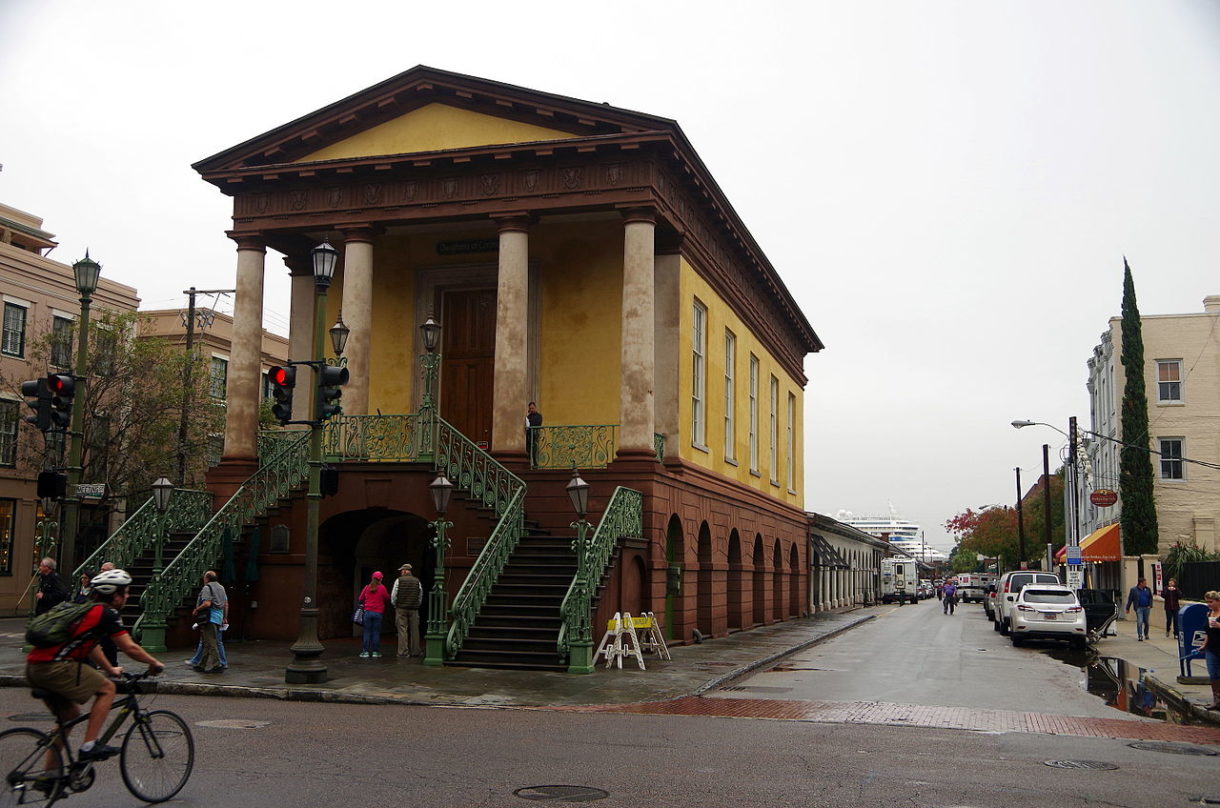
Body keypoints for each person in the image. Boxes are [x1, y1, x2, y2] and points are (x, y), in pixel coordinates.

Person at [25, 568, 165, 763]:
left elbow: (92, 646)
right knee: (107, 688)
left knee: (69, 716)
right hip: (55, 667)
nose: (127, 596)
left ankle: (49, 778)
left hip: (34, 666)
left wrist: (110, 669)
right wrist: (154, 662)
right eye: (125, 592)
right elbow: (130, 647)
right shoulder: (107, 613)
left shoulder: (85, 608)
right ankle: (89, 745)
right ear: (114, 595)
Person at [187, 571, 229, 671]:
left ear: (207, 578)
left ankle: (217, 664)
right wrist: (224, 617)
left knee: (211, 642)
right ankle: (201, 664)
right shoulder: (221, 588)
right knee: (208, 641)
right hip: (218, 618)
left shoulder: (207, 588)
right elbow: (226, 604)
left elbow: (207, 604)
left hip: (209, 618)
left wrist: (197, 609)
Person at [357, 571, 393, 658]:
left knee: (367, 632)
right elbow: (387, 598)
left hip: (367, 612)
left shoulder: (367, 587)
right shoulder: (382, 588)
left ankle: (365, 651)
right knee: (376, 632)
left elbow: (360, 598)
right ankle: (375, 652)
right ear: (380, 579)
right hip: (378, 613)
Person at [391, 563, 423, 658]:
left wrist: (394, 604)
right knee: (415, 630)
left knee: (402, 630)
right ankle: (415, 651)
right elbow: (420, 595)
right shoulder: (417, 581)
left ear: (405, 571)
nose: (401, 572)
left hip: (401, 608)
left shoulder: (398, 581)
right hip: (414, 609)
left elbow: (394, 594)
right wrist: (417, 604)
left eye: (402, 570)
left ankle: (403, 652)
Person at [1200, 590, 1220, 710]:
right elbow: (1208, 632)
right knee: (1213, 674)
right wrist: (1204, 644)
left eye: (1211, 602)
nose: (1209, 604)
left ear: (1218, 601)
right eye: (1207, 602)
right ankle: (1216, 700)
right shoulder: (1209, 614)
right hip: (1211, 648)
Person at [1125, 577, 1153, 641]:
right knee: (1140, 622)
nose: (1146, 584)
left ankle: (1146, 634)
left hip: (1146, 607)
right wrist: (1127, 608)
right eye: (1144, 583)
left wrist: (1150, 605)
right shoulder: (1134, 590)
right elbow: (1130, 599)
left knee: (1146, 622)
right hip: (1139, 608)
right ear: (1141, 583)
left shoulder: (1148, 589)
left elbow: (1150, 598)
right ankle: (1140, 635)